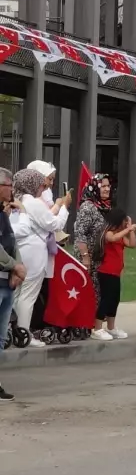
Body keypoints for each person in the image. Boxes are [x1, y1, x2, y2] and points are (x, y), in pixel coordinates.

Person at [11, 168, 69, 347]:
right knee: (28, 294)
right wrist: (65, 207)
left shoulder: (17, 200)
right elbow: (54, 224)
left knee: (17, 294)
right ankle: (24, 333)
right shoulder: (32, 202)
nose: (42, 187)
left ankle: (14, 331)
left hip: (21, 250)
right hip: (34, 251)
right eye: (41, 183)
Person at [72, 173, 113, 339]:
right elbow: (80, 234)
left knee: (98, 292)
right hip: (86, 256)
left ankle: (92, 326)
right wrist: (85, 257)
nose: (107, 189)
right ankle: (82, 326)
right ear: (94, 187)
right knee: (88, 291)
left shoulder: (103, 206)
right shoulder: (88, 207)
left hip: (99, 257)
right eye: (103, 186)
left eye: (108, 186)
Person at [0, 167, 25, 401]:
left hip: (6, 281)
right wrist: (13, 265)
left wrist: (18, 266)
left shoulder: (3, 215)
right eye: (9, 186)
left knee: (0, 336)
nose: (12, 191)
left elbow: (11, 241)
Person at [95, 207, 136, 340]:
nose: (125, 224)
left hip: (116, 273)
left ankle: (111, 327)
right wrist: (127, 229)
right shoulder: (108, 233)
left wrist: (130, 230)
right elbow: (112, 238)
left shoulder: (121, 236)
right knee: (106, 299)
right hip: (106, 271)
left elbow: (132, 244)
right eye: (124, 222)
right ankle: (97, 328)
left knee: (115, 300)